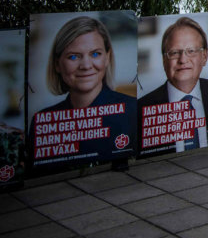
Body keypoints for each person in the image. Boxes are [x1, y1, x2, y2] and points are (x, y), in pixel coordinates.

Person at [30, 16, 136, 161]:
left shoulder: (132, 110)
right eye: (73, 57)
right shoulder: (42, 122)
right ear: (57, 64)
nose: (86, 66)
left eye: (95, 54)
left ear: (107, 57)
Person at [138, 17, 208, 152]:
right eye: (174, 53)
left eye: (191, 51)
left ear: (204, 57)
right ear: (164, 60)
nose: (183, 59)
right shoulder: (141, 108)